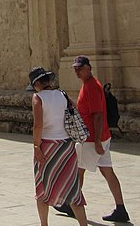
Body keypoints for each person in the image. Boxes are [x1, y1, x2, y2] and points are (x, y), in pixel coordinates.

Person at [57, 55, 129, 223]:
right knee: (107, 171)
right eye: (75, 69)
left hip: (91, 139)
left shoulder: (91, 87)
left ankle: (72, 205)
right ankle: (121, 209)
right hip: (99, 137)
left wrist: (96, 141)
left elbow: (97, 116)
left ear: (88, 68)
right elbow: (86, 111)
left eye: (80, 68)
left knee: (77, 172)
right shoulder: (88, 86)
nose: (77, 72)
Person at [28, 66, 87, 226]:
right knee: (73, 189)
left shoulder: (37, 98)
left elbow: (38, 125)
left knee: (42, 188)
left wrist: (36, 146)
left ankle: (44, 224)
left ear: (37, 84)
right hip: (66, 147)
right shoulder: (63, 95)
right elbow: (76, 111)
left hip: (47, 146)